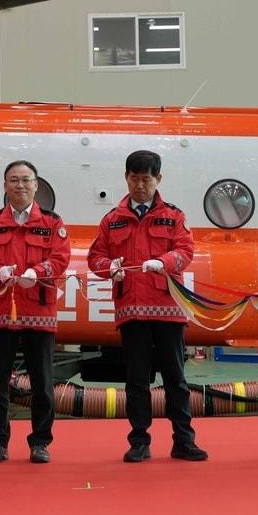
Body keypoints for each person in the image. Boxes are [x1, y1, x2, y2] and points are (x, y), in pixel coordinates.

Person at [88, 150, 207, 463]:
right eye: (134, 178)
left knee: (175, 380)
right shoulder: (112, 220)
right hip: (132, 311)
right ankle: (139, 441)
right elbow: (95, 257)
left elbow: (185, 251)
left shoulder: (173, 216)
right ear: (126, 178)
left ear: (158, 179)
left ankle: (184, 440)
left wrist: (163, 262)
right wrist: (108, 267)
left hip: (168, 310)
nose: (140, 185)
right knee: (137, 381)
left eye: (146, 178)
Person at [0, 160, 72, 464]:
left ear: (36, 185)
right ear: (4, 186)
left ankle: (40, 442)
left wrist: (37, 272)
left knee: (42, 381)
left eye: (26, 180)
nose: (20, 186)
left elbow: (61, 259)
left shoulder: (52, 223)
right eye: (14, 180)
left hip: (39, 312)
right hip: (2, 314)